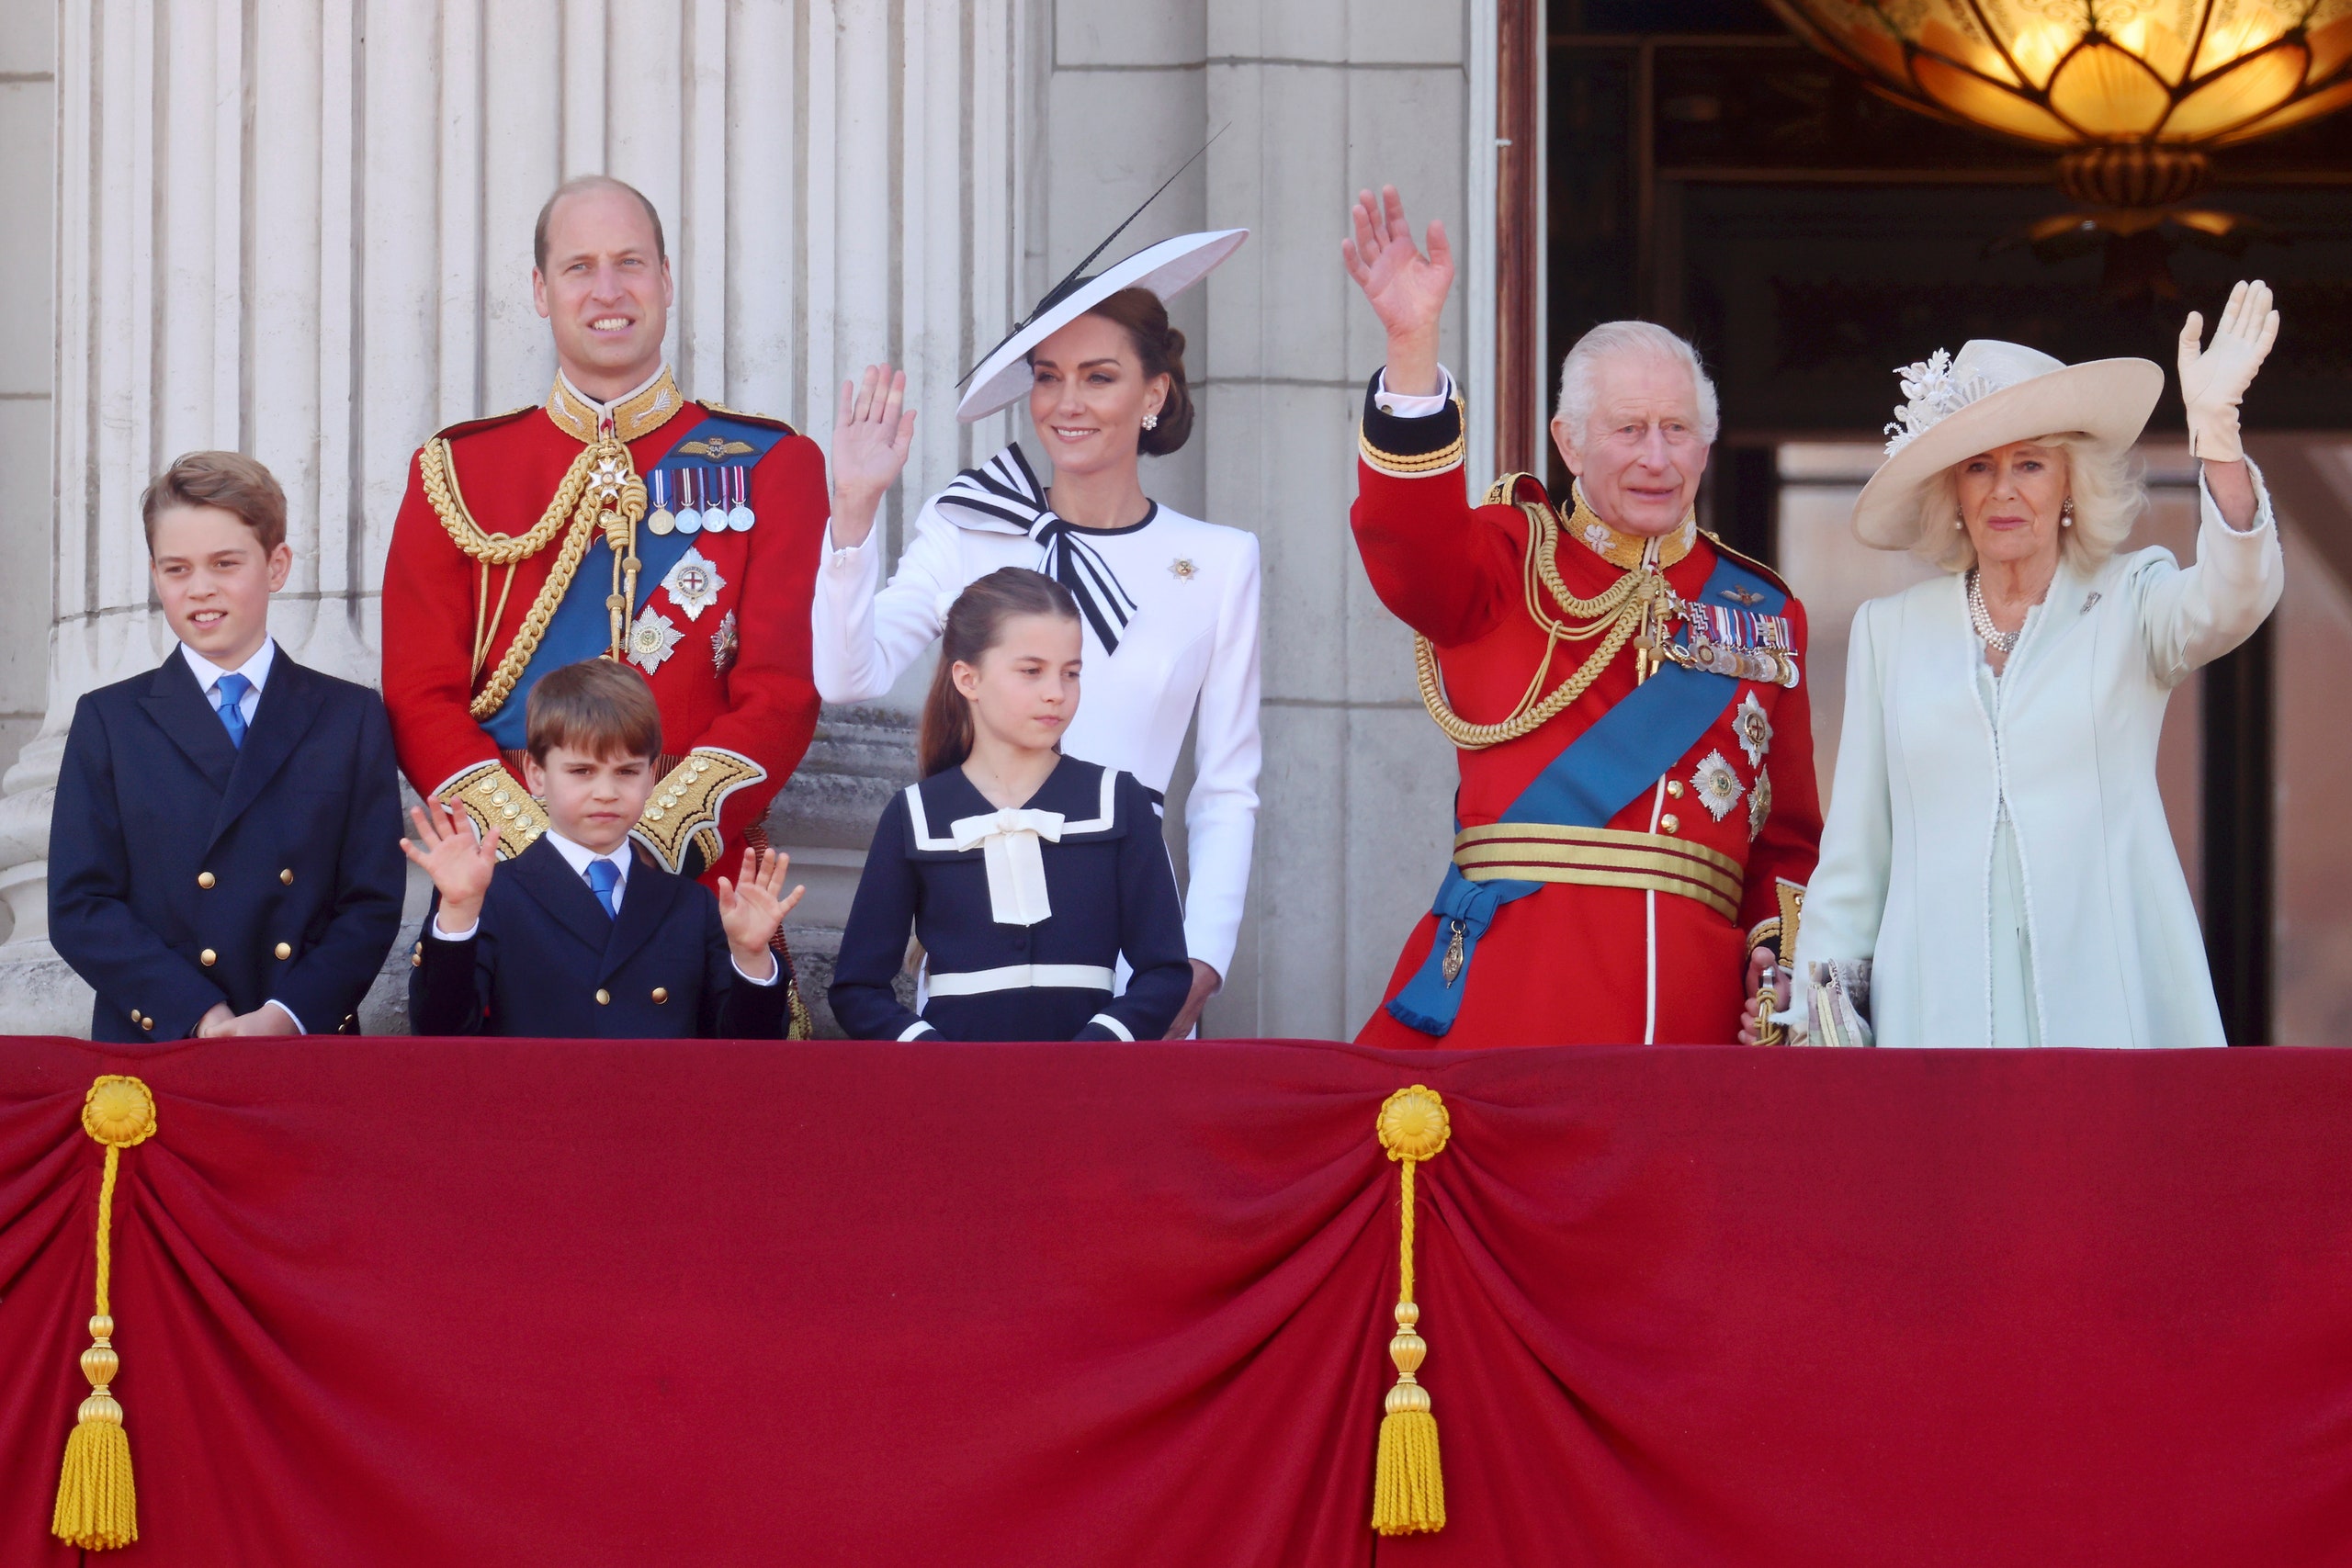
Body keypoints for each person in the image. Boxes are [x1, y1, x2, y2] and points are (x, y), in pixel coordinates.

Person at [1340, 186, 1824, 1047]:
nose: (1656, 456)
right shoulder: (1503, 559)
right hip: (1510, 1004)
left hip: (1694, 1024)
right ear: (1568, 443)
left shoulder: (1762, 610)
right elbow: (1407, 545)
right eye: (1628, 428)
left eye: (1678, 430)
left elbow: (1786, 840)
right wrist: (1411, 347)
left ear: (1707, 447)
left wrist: (1773, 963)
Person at [379, 174, 841, 1032]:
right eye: (579, 266)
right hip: (511, 901)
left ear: (666, 280)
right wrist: (539, 852)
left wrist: (651, 837)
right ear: (540, 290)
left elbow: (780, 692)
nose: (607, 290)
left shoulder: (774, 466)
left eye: (630, 263)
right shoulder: (455, 473)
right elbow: (419, 692)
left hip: (701, 901)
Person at [1791, 284, 2286, 1050]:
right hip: (1933, 1019)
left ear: (2067, 485)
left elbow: (2234, 596)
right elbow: (1856, 855)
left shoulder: (2131, 600)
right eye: (1980, 467)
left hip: (2107, 1007)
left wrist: (2216, 435)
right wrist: (1821, 1026)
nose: (2005, 491)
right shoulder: (1889, 632)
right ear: (1953, 491)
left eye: (2030, 463)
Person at [813, 227, 1260, 1039]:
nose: (1067, 404)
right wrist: (853, 514)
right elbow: (849, 675)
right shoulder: (968, 523)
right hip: (976, 930)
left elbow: (1226, 785)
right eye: (1048, 378)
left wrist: (1199, 963)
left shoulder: (1221, 561)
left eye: (1100, 377)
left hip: (1137, 946)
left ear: (1154, 393)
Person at [50, 452, 406, 1041]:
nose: (201, 589)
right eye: (177, 569)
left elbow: (369, 901)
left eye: (224, 563)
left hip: (303, 1044)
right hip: (161, 1044)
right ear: (155, 575)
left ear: (277, 565)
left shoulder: (350, 716)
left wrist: (287, 1017)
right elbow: (80, 905)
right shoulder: (108, 720)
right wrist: (196, 1013)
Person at [830, 569, 1192, 1043]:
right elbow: (858, 989)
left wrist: (1101, 1047)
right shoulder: (915, 814)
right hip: (957, 1098)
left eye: (1071, 673)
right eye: (1031, 671)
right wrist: (931, 1055)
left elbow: (1165, 970)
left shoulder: (1118, 800)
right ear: (968, 678)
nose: (1056, 693)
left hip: (1090, 1095)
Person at [403, 658, 803, 1039]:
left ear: (651, 779)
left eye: (627, 772)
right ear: (536, 776)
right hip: (535, 1105)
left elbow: (746, 1050)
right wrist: (455, 916)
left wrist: (751, 958)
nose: (607, 793)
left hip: (660, 1107)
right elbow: (442, 1030)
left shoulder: (692, 905)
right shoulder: (491, 895)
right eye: (582, 772)